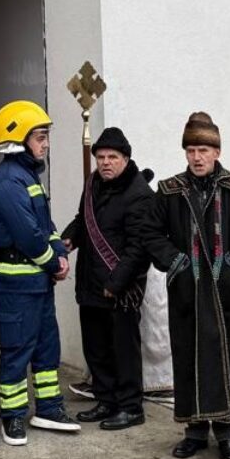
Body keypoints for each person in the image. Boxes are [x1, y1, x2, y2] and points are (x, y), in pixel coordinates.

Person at [150, 111, 230, 459]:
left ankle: (227, 430)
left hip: (226, 292)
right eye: (191, 150)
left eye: (203, 150)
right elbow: (150, 233)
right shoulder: (170, 191)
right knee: (188, 356)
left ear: (217, 152)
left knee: (226, 357)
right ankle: (194, 431)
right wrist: (176, 263)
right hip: (187, 292)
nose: (197, 157)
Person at [0, 100, 77, 446]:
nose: (46, 143)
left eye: (45, 136)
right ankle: (12, 417)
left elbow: (45, 226)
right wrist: (54, 262)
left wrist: (60, 254)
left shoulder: (27, 177)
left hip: (37, 280)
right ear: (18, 140)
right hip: (15, 281)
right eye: (39, 137)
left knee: (46, 347)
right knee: (17, 349)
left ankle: (49, 409)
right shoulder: (7, 180)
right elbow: (26, 234)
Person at [60, 127, 158, 431]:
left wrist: (116, 284)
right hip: (90, 281)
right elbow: (83, 220)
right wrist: (68, 239)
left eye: (112, 157)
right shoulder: (92, 184)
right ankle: (106, 399)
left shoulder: (140, 194)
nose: (105, 162)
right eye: (100, 157)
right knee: (96, 347)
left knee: (123, 350)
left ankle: (130, 407)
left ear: (125, 159)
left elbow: (139, 247)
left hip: (121, 287)